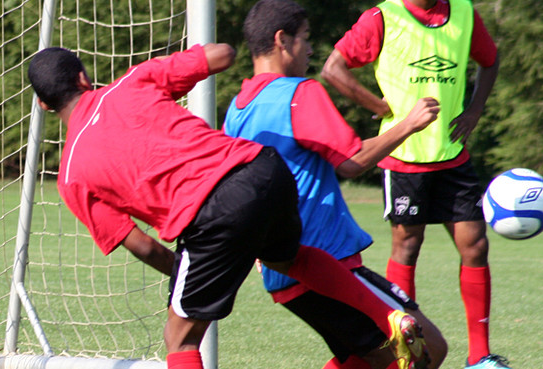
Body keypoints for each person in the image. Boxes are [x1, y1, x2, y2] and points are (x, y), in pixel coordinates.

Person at [27, 43, 425, 369]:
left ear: (44, 105)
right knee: (290, 260)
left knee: (180, 336)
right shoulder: (132, 82)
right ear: (83, 77)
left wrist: (190, 270)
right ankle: (386, 315)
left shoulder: (71, 175)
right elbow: (221, 55)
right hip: (264, 169)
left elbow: (141, 245)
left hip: (212, 215)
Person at [221, 1, 449, 368]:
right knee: (427, 349)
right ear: (283, 40)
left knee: (363, 358)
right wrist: (408, 124)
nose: (311, 49)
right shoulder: (300, 93)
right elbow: (352, 160)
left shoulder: (239, 107)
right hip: (325, 265)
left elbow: (238, 185)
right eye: (306, 39)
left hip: (283, 271)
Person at [320, 0, 501, 367]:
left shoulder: (464, 13)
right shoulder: (382, 17)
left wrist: (475, 110)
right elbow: (333, 69)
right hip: (404, 158)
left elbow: (490, 59)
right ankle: (407, 351)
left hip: (453, 154)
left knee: (476, 246)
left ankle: (480, 357)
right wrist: (380, 106)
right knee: (407, 247)